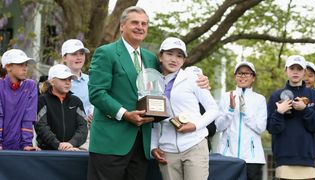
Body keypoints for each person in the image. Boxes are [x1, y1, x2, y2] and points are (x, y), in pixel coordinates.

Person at [87, 6, 209, 180]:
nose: (140, 27)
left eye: (144, 24)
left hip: (141, 144)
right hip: (110, 142)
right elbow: (97, 93)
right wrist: (125, 114)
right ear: (122, 26)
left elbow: (172, 70)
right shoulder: (106, 53)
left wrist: (199, 75)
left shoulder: (150, 58)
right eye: (135, 22)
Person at [150, 37, 220, 180]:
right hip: (166, 150)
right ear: (160, 56)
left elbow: (213, 109)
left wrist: (194, 126)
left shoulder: (193, 78)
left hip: (194, 145)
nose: (174, 59)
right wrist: (153, 146)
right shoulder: (152, 83)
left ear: (183, 60)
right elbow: (154, 119)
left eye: (179, 55)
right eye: (169, 53)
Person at [267, 55, 315, 179]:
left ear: (304, 72)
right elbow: (272, 129)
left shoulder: (314, 95)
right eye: (292, 68)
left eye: (299, 69)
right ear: (286, 70)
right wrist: (279, 113)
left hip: (306, 157)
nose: (295, 72)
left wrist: (305, 109)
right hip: (284, 157)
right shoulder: (276, 96)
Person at [215, 61, 267, 180]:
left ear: (253, 77)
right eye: (239, 73)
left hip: (252, 159)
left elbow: (261, 127)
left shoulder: (259, 99)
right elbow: (219, 126)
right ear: (235, 77)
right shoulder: (226, 96)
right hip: (227, 156)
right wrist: (230, 110)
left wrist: (245, 113)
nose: (243, 76)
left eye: (247, 73)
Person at [35, 64, 88, 151]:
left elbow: (83, 128)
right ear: (52, 82)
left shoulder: (76, 101)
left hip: (72, 150)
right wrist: (58, 144)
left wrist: (71, 143)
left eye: (70, 79)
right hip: (47, 153)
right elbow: (41, 127)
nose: (68, 82)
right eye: (63, 79)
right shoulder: (42, 100)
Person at [0, 49, 40, 151]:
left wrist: (26, 144)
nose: (25, 68)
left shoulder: (31, 85)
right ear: (8, 67)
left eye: (25, 65)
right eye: (20, 64)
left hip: (20, 147)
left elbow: (28, 117)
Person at [61, 39, 93, 150]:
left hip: (88, 135)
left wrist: (94, 113)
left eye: (81, 54)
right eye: (74, 54)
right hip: (63, 135)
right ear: (64, 57)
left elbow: (95, 103)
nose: (79, 57)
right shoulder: (55, 82)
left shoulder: (91, 80)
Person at [304, 61, 315, 179]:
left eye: (310, 75)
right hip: (296, 153)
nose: (306, 78)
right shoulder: (287, 96)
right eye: (303, 74)